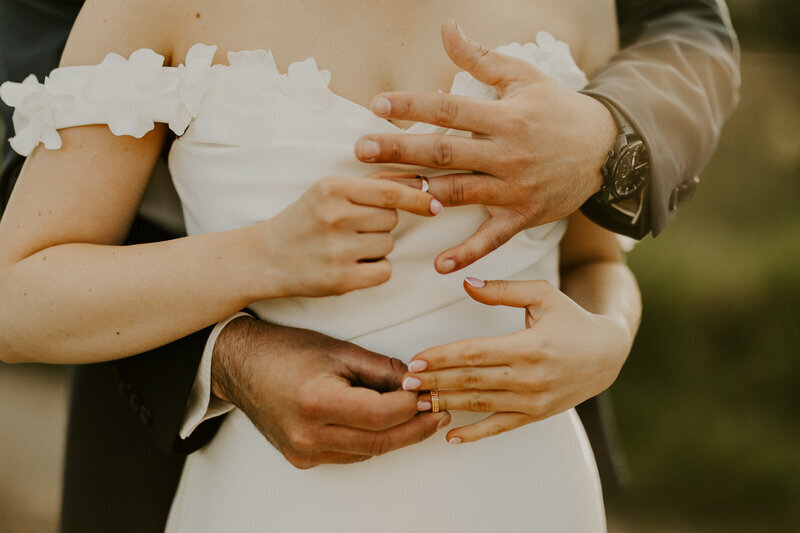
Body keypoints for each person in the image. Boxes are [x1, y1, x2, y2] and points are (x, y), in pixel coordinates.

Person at [0, 1, 739, 532]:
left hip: (526, 487)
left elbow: (592, 259)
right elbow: (14, 298)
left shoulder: (581, 7)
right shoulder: (153, 8)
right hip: (276, 496)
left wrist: (608, 337)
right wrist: (261, 257)